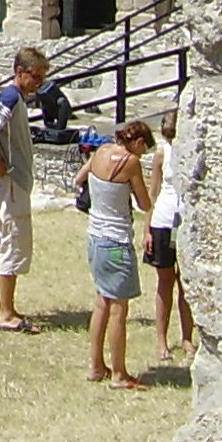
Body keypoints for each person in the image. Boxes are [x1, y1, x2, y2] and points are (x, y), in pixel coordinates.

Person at [0, 46, 49, 332]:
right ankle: (7, 312)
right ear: (20, 72)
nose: (38, 84)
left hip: (10, 182)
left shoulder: (14, 99)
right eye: (35, 77)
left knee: (0, 240)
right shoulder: (11, 96)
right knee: (13, 242)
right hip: (12, 182)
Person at [76, 118, 156, 388]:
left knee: (102, 302)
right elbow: (144, 203)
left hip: (95, 236)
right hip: (116, 241)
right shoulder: (130, 163)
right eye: (143, 149)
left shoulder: (100, 151)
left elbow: (80, 178)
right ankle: (119, 374)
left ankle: (96, 366)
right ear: (139, 142)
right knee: (119, 309)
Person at [144, 112, 196, 359]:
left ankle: (187, 337)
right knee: (165, 282)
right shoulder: (161, 154)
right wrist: (147, 229)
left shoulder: (191, 152)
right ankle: (161, 341)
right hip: (163, 221)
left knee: (186, 283)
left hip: (184, 221)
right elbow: (152, 193)